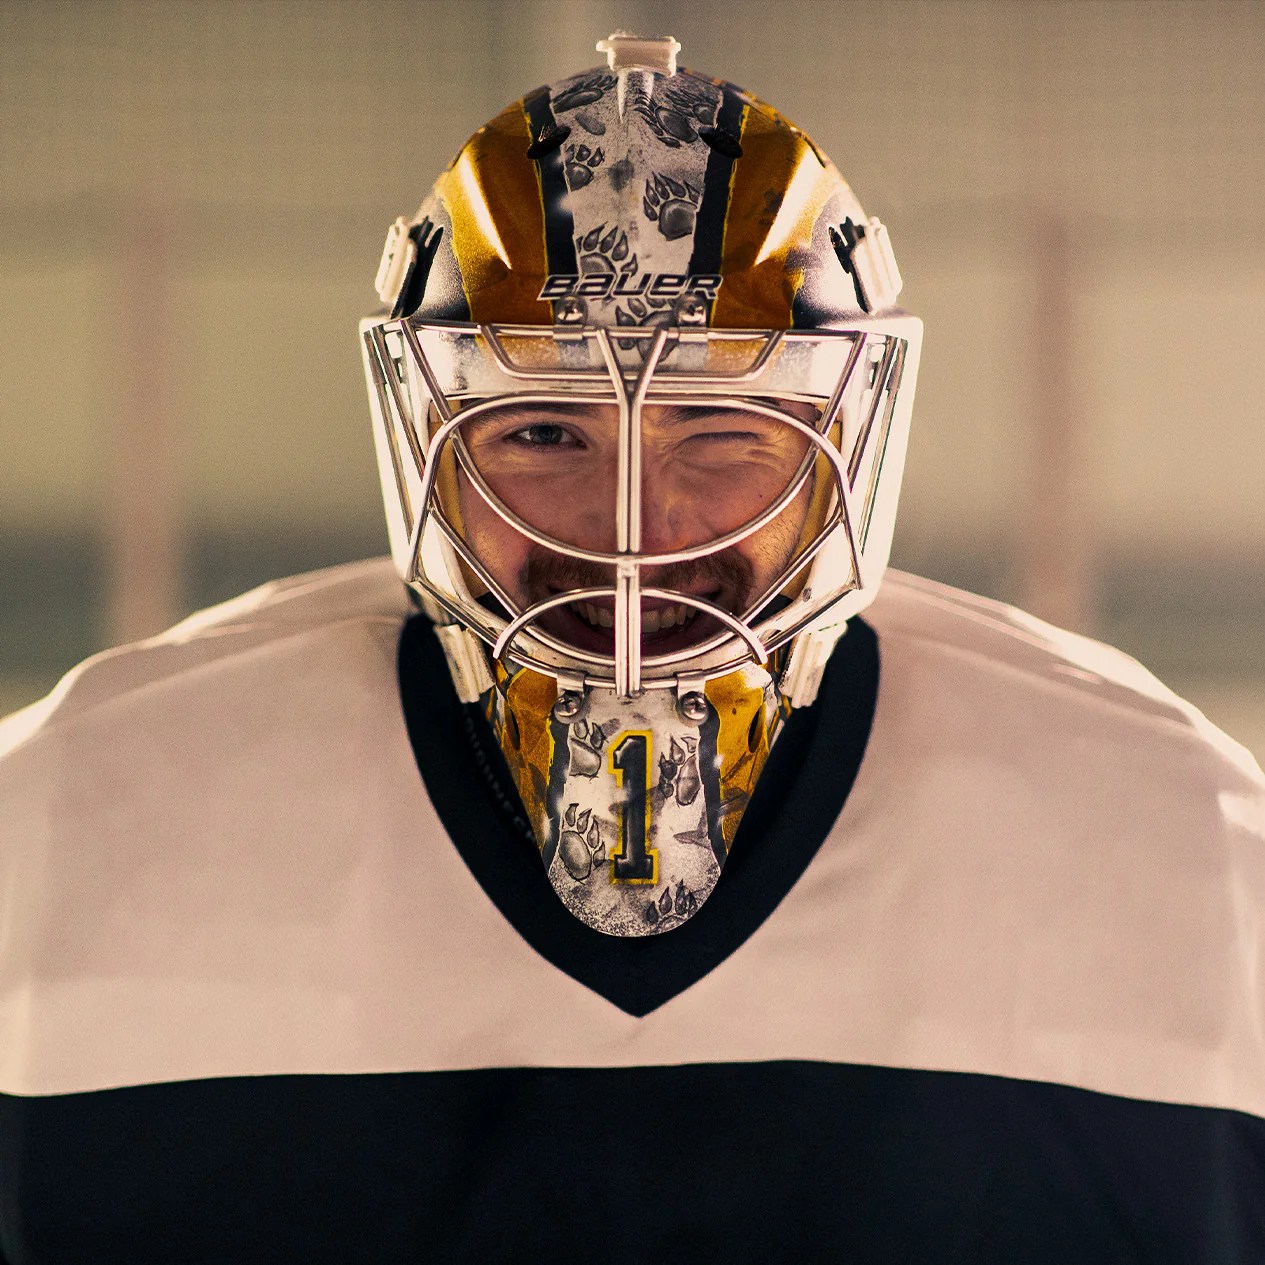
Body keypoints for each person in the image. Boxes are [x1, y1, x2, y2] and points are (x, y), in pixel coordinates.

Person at [0, 31, 1261, 1264]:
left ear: (847, 445)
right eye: (543, 432)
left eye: (718, 424)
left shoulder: (1190, 846)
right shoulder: (58, 824)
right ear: (425, 442)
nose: (632, 530)